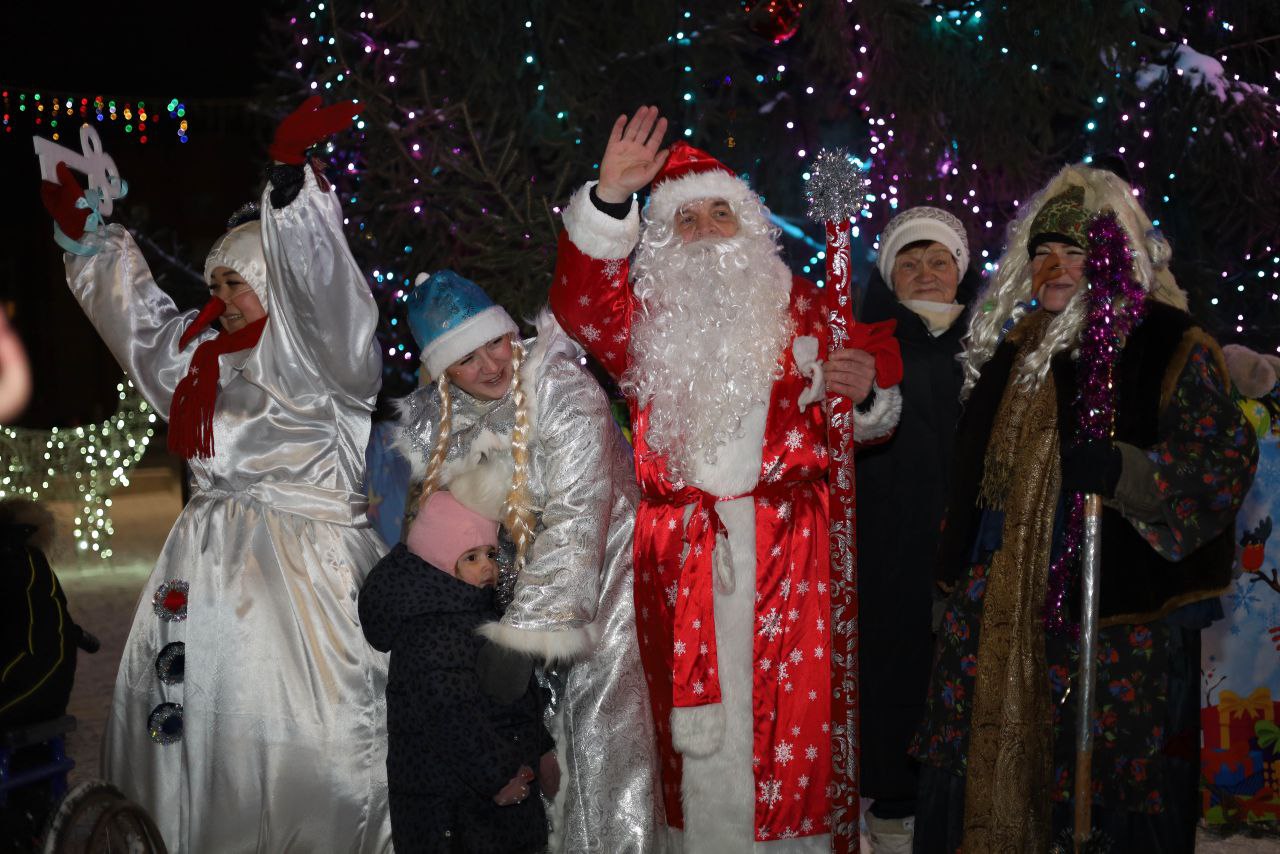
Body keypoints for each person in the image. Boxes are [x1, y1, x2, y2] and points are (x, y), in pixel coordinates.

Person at [40, 98, 392, 851]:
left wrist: (294, 196)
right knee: (202, 727)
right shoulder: (202, 361)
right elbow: (139, 329)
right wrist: (92, 240)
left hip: (307, 581)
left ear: (277, 283)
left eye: (240, 283)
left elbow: (331, 300)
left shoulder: (328, 365)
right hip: (203, 572)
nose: (223, 299)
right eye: (219, 284)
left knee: (309, 736)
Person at [548, 107, 903, 850]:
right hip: (679, 552)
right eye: (686, 218)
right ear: (661, 239)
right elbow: (579, 303)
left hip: (789, 552)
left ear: (750, 226)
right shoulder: (640, 324)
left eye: (721, 212)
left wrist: (864, 391)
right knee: (688, 739)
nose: (707, 230)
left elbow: (860, 417)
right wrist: (610, 198)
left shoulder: (804, 306)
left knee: (792, 730)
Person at [910, 164, 1258, 853]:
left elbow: (1223, 459)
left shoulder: (1166, 341)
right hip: (997, 608)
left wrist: (1129, 471)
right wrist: (953, 586)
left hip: (1113, 612)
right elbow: (970, 480)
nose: (1056, 266)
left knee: (1103, 783)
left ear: (1110, 258)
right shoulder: (1012, 347)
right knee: (980, 771)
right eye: (1043, 251)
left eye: (1074, 251)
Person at [392, 269, 665, 852]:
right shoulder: (441, 420)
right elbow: (436, 533)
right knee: (533, 758)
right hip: (512, 599)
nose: (492, 365)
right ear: (444, 372)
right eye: (466, 359)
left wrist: (523, 633)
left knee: (605, 748)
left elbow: (578, 514)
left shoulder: (561, 390)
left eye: (495, 342)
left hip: (606, 582)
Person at [853, 206, 978, 853]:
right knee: (896, 673)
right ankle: (896, 810)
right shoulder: (868, 346)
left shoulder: (992, 345)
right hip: (890, 545)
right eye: (909, 262)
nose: (925, 272)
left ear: (961, 270)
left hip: (976, 548)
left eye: (938, 260)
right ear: (889, 276)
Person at [360, 488, 554, 853]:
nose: (488, 567)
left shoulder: (478, 616)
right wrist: (498, 777)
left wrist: (541, 748)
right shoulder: (431, 632)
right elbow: (452, 717)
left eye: (491, 554)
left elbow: (513, 698)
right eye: (471, 557)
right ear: (440, 561)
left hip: (485, 806)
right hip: (451, 814)